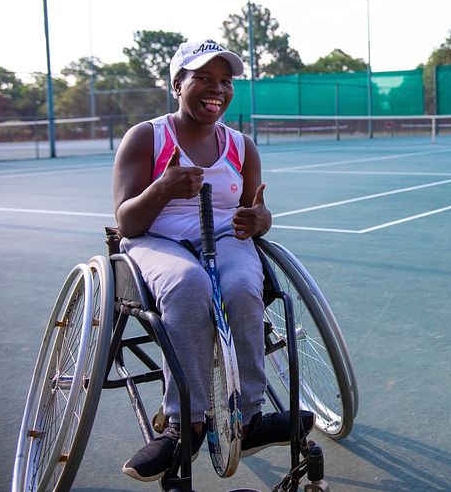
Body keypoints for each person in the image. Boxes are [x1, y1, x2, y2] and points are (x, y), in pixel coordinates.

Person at [113, 39, 314, 482]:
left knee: (243, 287)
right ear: (177, 83)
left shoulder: (242, 146)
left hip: (223, 237)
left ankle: (250, 418)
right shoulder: (148, 137)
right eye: (202, 78)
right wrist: (162, 188)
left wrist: (259, 219)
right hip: (156, 239)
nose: (216, 89)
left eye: (225, 81)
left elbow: (256, 215)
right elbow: (127, 221)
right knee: (188, 285)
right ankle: (185, 425)